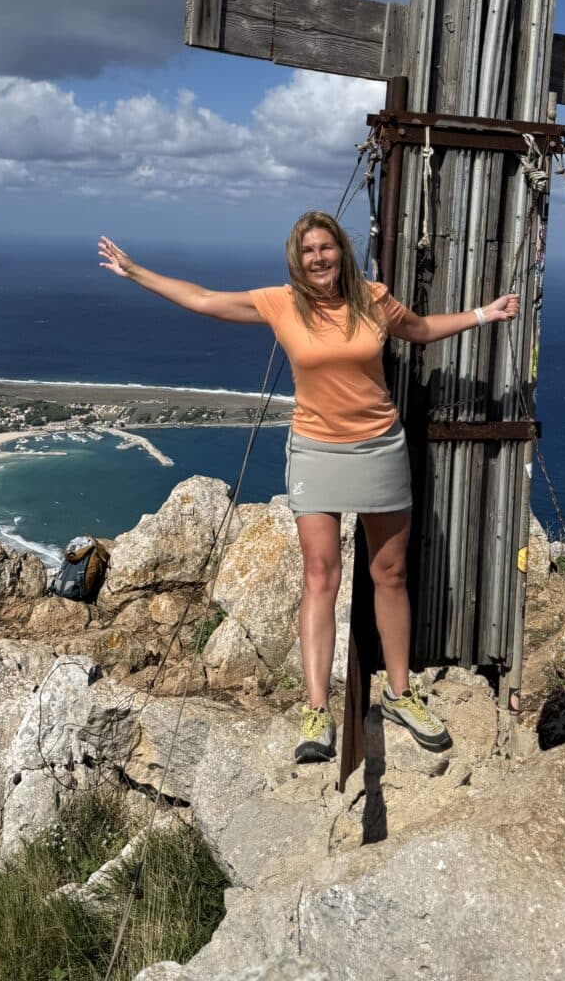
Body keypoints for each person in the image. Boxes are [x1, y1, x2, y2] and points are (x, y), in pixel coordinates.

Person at [98, 212, 519, 765]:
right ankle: (317, 710)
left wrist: (485, 314)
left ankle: (399, 694)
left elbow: (418, 330)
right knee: (321, 574)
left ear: (341, 251)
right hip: (316, 451)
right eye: (308, 251)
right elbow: (203, 299)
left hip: (379, 448)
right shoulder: (281, 304)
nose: (319, 258)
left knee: (389, 574)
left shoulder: (372, 299)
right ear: (296, 261)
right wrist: (136, 272)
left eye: (327, 247)